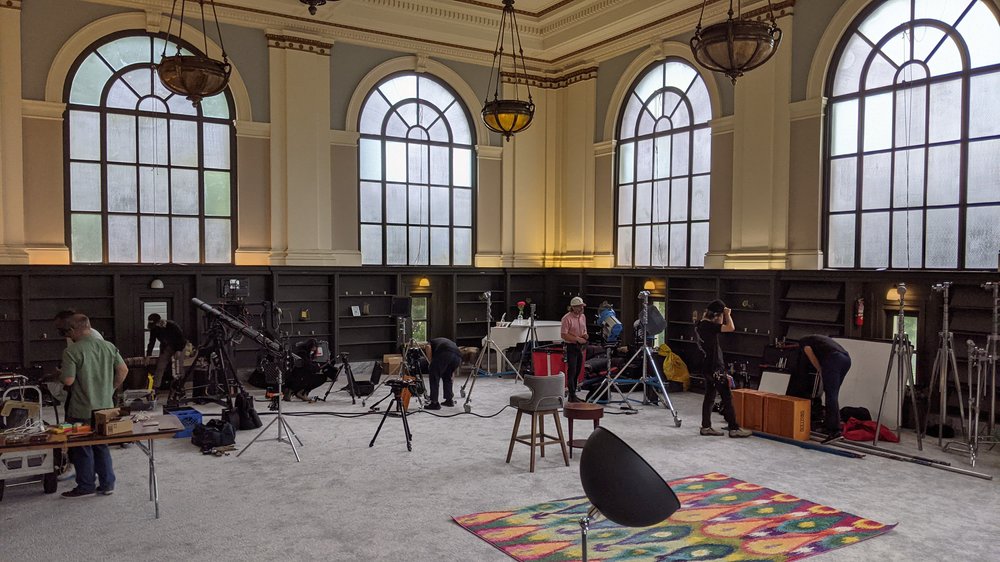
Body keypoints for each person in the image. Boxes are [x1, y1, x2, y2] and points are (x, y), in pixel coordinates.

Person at [59, 314, 128, 498]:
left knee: (82, 447)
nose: (67, 335)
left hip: (81, 409)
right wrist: (110, 389)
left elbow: (68, 380)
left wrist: (59, 374)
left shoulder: (72, 351)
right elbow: (123, 370)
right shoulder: (108, 346)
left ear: (72, 330)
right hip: (106, 407)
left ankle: (86, 485)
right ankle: (107, 484)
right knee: (101, 445)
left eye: (66, 331)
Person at [695, 299, 751, 438]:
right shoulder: (709, 326)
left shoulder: (700, 324)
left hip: (707, 366)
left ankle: (706, 427)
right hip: (716, 368)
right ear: (716, 316)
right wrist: (727, 315)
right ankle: (734, 428)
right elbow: (730, 327)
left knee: (709, 397)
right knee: (727, 397)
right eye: (720, 316)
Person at [798, 334, 852, 442]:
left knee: (831, 396)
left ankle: (835, 431)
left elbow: (811, 356)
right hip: (846, 359)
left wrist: (821, 371)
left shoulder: (803, 342)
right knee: (833, 394)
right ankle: (828, 425)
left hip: (833, 360)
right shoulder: (820, 339)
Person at [145, 313, 187, 390]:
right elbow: (151, 342)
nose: (155, 326)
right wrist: (148, 355)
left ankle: (180, 385)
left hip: (179, 346)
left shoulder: (172, 325)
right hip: (166, 347)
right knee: (160, 366)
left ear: (159, 321)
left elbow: (181, 338)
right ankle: (155, 387)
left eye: (155, 324)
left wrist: (179, 350)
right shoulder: (154, 329)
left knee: (179, 367)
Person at [560, 296, 588, 402]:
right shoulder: (566, 318)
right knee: (572, 370)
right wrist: (577, 339)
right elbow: (564, 335)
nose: (581, 308)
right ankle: (571, 394)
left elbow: (584, 330)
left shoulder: (583, 317)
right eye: (579, 307)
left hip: (580, 346)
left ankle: (574, 394)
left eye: (582, 306)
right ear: (573, 307)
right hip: (571, 346)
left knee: (578, 370)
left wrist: (585, 335)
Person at [423, 337, 461, 410]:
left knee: (434, 376)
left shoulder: (431, 342)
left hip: (445, 352)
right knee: (447, 376)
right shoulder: (443, 341)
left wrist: (431, 363)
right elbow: (452, 375)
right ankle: (449, 400)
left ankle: (434, 403)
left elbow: (428, 347)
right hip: (458, 356)